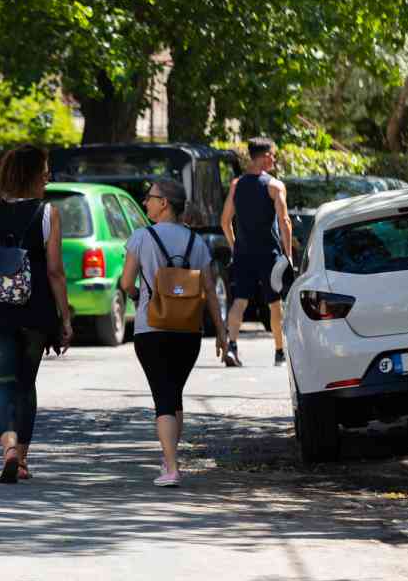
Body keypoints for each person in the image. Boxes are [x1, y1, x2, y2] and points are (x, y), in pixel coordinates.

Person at [0, 144, 72, 484]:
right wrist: (65, 318)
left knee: (2, 381)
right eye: (45, 170)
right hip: (35, 308)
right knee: (26, 384)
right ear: (33, 174)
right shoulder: (48, 213)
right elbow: (55, 272)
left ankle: (6, 447)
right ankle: (21, 458)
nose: (48, 176)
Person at [120, 179, 227, 487]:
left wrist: (140, 295)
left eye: (150, 198)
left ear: (164, 202)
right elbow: (208, 290)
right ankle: (169, 459)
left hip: (151, 329)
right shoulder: (197, 242)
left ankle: (171, 467)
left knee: (163, 397)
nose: (146, 203)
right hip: (188, 331)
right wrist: (221, 334)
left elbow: (127, 283)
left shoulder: (141, 237)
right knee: (173, 394)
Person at [220, 136, 293, 368]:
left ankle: (232, 347)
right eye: (272, 155)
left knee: (240, 301)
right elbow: (285, 221)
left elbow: (225, 221)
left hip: (243, 254)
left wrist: (235, 247)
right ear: (263, 157)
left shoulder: (236, 185)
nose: (274, 159)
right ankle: (280, 352)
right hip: (269, 255)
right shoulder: (275, 186)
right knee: (274, 304)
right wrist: (288, 255)